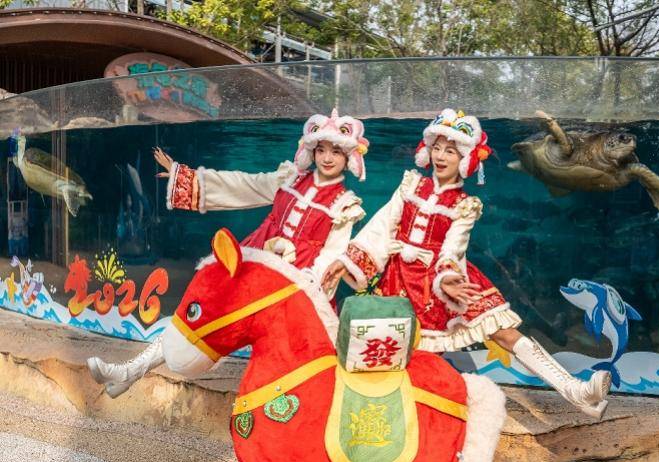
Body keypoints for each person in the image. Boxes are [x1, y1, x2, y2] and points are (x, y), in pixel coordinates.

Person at [322, 108, 611, 418]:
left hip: (444, 279)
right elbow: (382, 226)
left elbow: (453, 247)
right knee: (407, 354)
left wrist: (447, 278)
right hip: (400, 282)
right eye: (437, 148)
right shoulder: (410, 186)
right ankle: (382, 412)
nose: (440, 156)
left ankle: (576, 391)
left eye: (450, 150)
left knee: (504, 331)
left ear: (465, 158)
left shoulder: (464, 205)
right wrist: (348, 258)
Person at [88, 109, 369, 397]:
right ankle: (130, 371)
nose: (327, 157)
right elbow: (244, 186)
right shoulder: (290, 179)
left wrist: (299, 287)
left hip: (296, 287)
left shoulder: (345, 205)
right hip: (254, 264)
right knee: (198, 313)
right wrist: (186, 177)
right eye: (321, 150)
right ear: (312, 151)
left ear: (348, 157)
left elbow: (332, 254)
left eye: (336, 151)